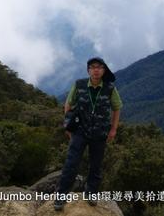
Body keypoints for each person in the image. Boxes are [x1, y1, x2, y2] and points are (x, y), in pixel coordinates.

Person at [54, 57, 123, 211]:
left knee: (96, 165)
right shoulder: (79, 85)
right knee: (71, 164)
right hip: (80, 131)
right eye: (92, 67)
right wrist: (68, 126)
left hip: (100, 133)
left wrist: (113, 129)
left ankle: (91, 193)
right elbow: (68, 104)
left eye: (99, 67)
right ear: (88, 70)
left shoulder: (110, 88)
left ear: (104, 70)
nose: (96, 70)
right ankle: (60, 197)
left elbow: (117, 108)